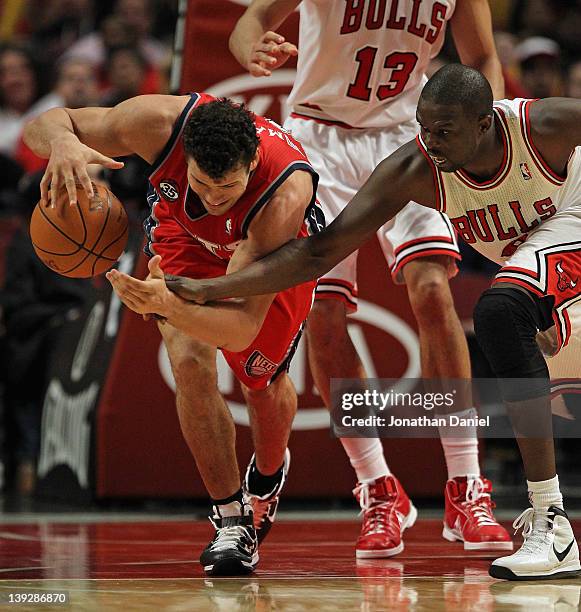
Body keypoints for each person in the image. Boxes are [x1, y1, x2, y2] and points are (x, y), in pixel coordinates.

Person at [151, 64, 581, 581]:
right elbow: (317, 254)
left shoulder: (548, 125)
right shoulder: (416, 168)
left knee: (495, 308)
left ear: (485, 124)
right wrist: (204, 288)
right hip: (539, 252)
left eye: (443, 132)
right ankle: (397, 490)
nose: (430, 142)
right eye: (423, 129)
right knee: (508, 321)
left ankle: (541, 518)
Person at [227, 0, 510, 556]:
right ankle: (379, 488)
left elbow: (481, 56)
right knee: (325, 317)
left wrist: (488, 125)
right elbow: (252, 21)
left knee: (432, 290)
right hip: (318, 139)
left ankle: (466, 485)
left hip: (412, 136)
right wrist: (250, 48)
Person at [23, 93, 323, 577]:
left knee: (260, 383)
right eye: (201, 182)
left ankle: (267, 477)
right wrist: (61, 142)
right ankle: (231, 520)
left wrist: (167, 304)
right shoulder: (157, 124)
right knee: (189, 363)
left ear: (250, 164)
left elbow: (243, 326)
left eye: (225, 186)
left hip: (263, 258)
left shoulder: (282, 196)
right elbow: (50, 120)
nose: (212, 196)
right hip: (184, 240)